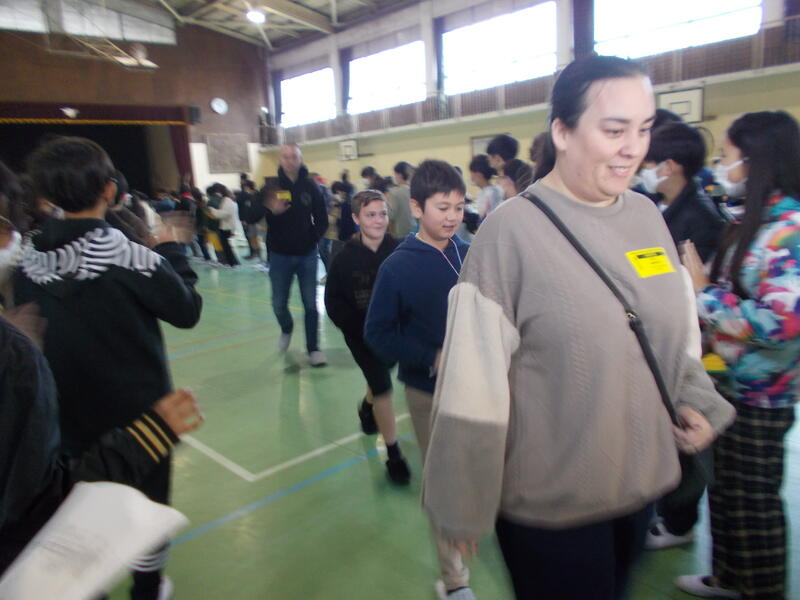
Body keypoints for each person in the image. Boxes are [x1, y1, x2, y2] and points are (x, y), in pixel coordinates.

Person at [421, 55, 736, 600]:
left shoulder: (646, 216)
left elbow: (671, 330)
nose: (634, 148)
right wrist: (461, 498)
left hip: (639, 485)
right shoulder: (509, 233)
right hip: (552, 505)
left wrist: (697, 398)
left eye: (643, 129)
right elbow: (472, 377)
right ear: (562, 132)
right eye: (614, 130)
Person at [13, 136, 203, 600]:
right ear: (109, 189)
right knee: (146, 502)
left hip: (64, 418)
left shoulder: (25, 265)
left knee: (74, 511)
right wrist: (172, 249)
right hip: (141, 416)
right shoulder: (134, 259)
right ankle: (147, 588)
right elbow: (187, 310)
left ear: (46, 196)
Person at [676, 111, 800, 600]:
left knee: (753, 500)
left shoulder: (789, 230)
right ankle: (729, 577)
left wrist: (704, 293)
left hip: (761, 392)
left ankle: (762, 588)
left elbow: (781, 322)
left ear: (755, 160)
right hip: (728, 383)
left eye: (726, 155)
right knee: (727, 490)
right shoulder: (751, 220)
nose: (721, 166)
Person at [364, 160, 474, 600]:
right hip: (430, 393)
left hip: (479, 387)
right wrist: (432, 357)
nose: (452, 217)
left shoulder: (469, 252)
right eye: (442, 207)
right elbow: (377, 333)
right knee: (443, 485)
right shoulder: (398, 267)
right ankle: (455, 580)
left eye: (459, 207)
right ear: (416, 208)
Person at [324, 190, 411, 484]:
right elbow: (333, 302)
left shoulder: (399, 250)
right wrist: (360, 329)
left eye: (382, 214)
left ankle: (366, 406)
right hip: (361, 336)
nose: (378, 220)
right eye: (370, 214)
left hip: (393, 334)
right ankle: (393, 453)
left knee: (380, 378)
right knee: (384, 387)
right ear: (355, 218)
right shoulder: (343, 258)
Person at [264, 144, 328, 367]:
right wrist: (270, 210)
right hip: (279, 256)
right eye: (286, 157)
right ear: (280, 160)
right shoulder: (271, 187)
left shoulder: (310, 186)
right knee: (278, 304)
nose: (290, 160)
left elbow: (322, 219)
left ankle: (313, 348)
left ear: (300, 160)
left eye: (294, 157)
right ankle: (286, 328)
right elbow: (250, 215)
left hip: (306, 256)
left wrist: (312, 239)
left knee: (310, 304)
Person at [639, 123, 725, 263]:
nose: (644, 171)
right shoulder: (647, 202)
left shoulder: (703, 220)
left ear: (668, 167)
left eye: (648, 163)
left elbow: (691, 270)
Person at [206, 184, 240, 268]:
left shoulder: (226, 201)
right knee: (226, 246)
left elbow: (224, 214)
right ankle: (233, 262)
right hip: (226, 225)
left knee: (226, 246)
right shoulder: (227, 200)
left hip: (226, 226)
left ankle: (231, 263)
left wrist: (212, 210)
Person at [468, 154, 503, 220]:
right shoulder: (495, 190)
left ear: (478, 175)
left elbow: (486, 216)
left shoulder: (488, 193)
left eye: (472, 174)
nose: (471, 178)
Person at [387, 161, 416, 238]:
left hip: (400, 231)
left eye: (395, 174)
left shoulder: (394, 193)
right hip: (414, 228)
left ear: (399, 175)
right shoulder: (413, 189)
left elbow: (391, 215)